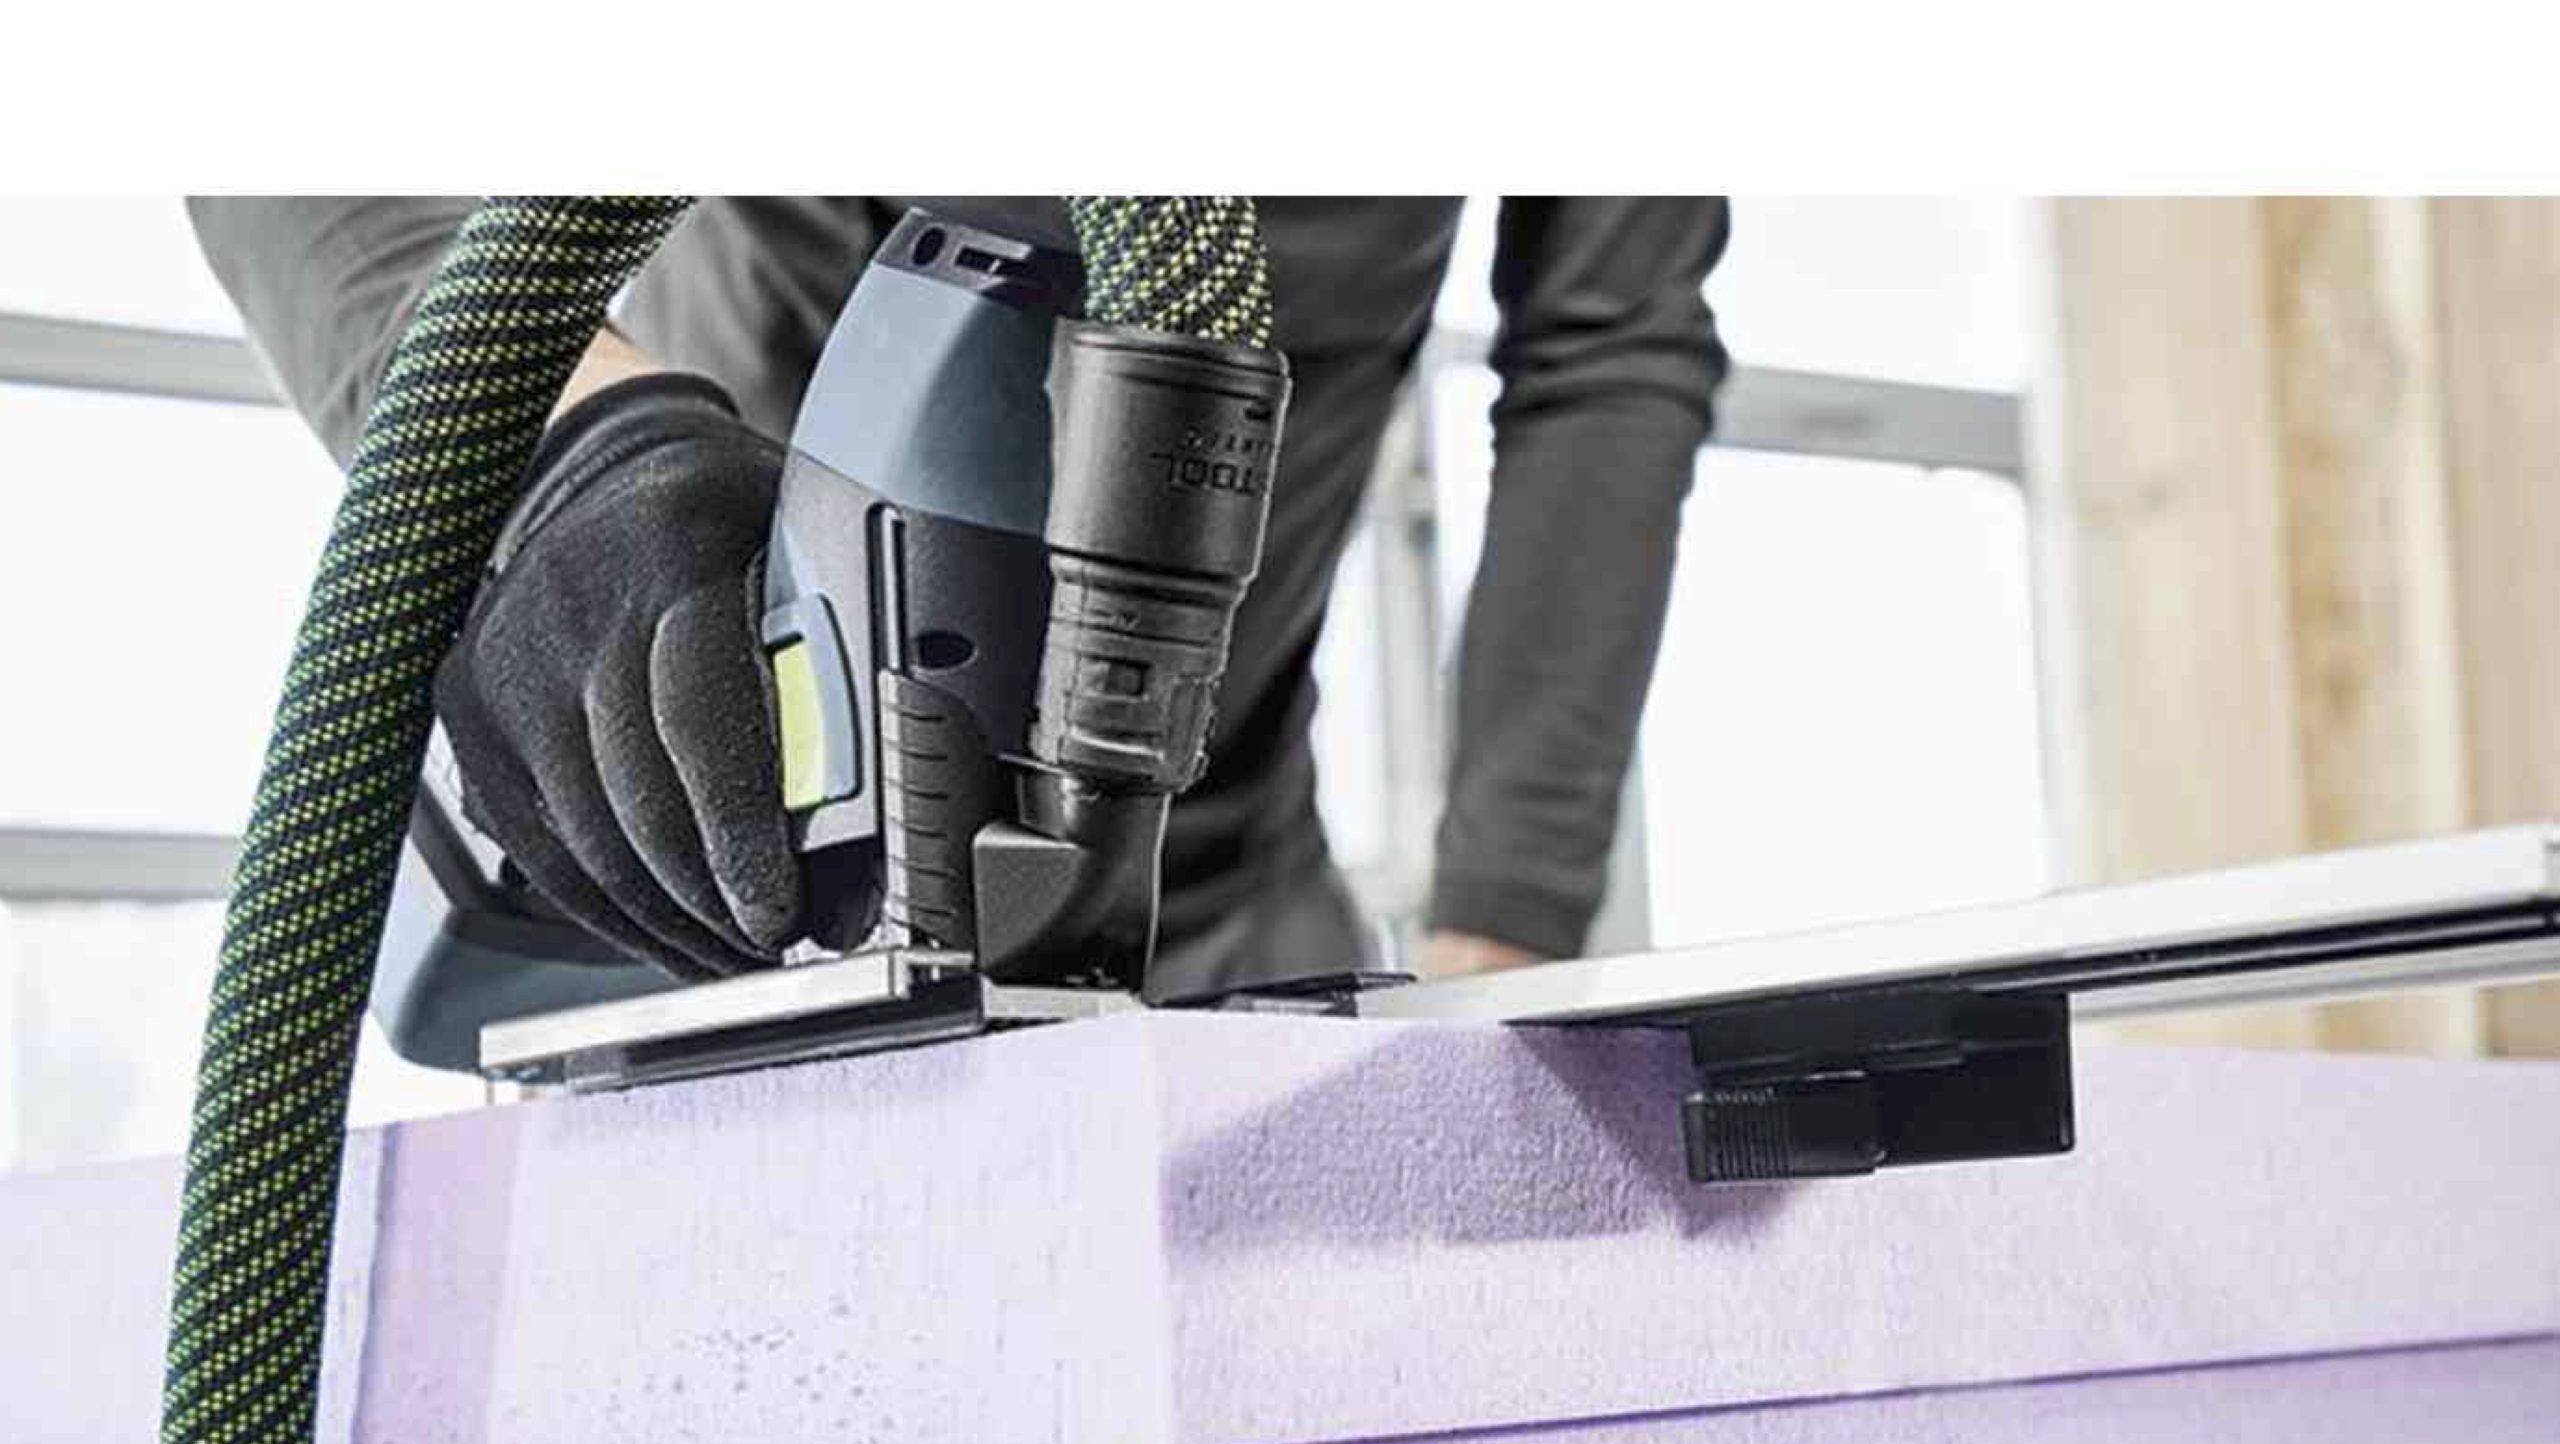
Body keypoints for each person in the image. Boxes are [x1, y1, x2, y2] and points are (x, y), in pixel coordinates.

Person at [191, 197, 1729, 994]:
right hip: (728, 822)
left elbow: (1608, 344)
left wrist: (1502, 941)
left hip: (1211, 885)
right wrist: (566, 442)